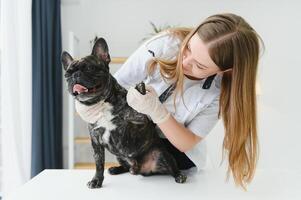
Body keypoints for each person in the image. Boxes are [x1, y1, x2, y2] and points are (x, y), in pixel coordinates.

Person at [113, 13, 263, 189]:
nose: (185, 62)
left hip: (176, 152)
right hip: (135, 138)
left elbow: (187, 142)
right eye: (189, 48)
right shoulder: (164, 44)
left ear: (225, 70)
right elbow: (117, 84)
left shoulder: (219, 93)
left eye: (200, 66)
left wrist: (158, 112)